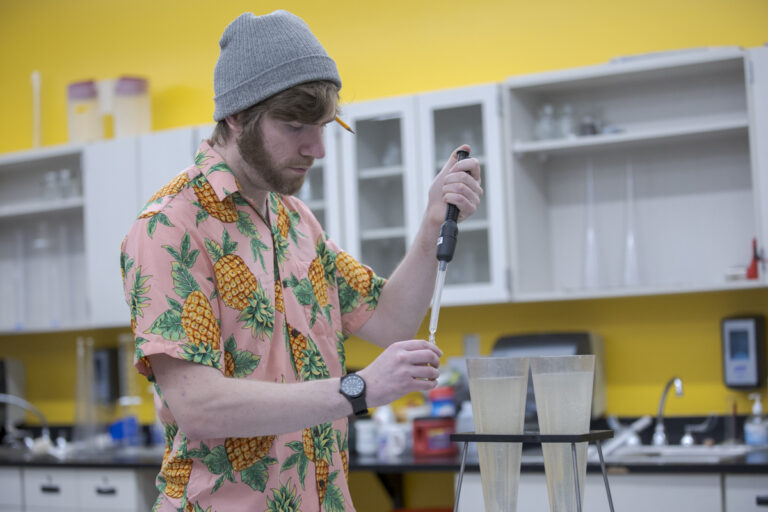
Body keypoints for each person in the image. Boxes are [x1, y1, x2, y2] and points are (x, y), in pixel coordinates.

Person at [120, 9, 482, 512]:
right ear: (236, 116)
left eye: (323, 126)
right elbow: (198, 406)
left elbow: (393, 319)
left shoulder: (294, 221)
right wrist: (358, 389)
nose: (317, 148)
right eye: (294, 126)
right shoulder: (168, 227)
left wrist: (429, 225)